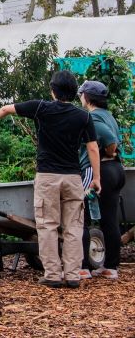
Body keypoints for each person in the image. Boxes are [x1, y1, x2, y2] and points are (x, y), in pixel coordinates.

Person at [0, 71, 100, 289]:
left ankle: (52, 274)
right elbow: (92, 148)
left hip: (47, 177)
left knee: (48, 225)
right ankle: (72, 274)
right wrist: (96, 178)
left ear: (53, 90)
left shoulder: (41, 108)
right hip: (72, 177)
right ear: (73, 92)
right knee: (73, 227)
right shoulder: (84, 116)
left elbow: (7, 109)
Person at [76, 80, 125, 281]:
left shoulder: (93, 117)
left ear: (87, 97)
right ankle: (111, 266)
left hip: (101, 169)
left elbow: (110, 141)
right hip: (116, 170)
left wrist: (108, 151)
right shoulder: (108, 115)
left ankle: (84, 267)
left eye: (81, 94)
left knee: (82, 218)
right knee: (109, 219)